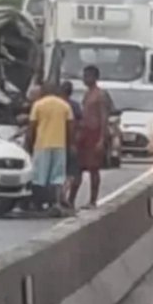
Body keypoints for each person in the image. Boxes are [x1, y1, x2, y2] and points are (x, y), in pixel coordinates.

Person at [26, 82, 74, 216]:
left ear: (44, 91)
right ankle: (55, 203)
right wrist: (69, 144)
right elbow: (70, 127)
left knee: (39, 176)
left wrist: (29, 144)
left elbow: (32, 127)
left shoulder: (38, 105)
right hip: (59, 145)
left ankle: (38, 203)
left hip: (42, 145)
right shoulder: (65, 106)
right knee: (57, 177)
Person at [72, 65, 112, 209]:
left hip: (95, 133)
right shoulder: (87, 94)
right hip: (85, 133)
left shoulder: (100, 95)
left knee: (93, 168)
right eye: (84, 76)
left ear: (95, 77)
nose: (84, 79)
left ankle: (93, 200)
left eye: (87, 76)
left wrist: (102, 139)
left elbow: (104, 117)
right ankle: (71, 200)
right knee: (78, 167)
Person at [59, 81, 83, 209]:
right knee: (72, 172)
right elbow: (79, 124)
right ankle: (66, 196)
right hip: (70, 142)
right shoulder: (74, 106)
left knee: (58, 172)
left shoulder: (57, 105)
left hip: (56, 141)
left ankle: (59, 197)